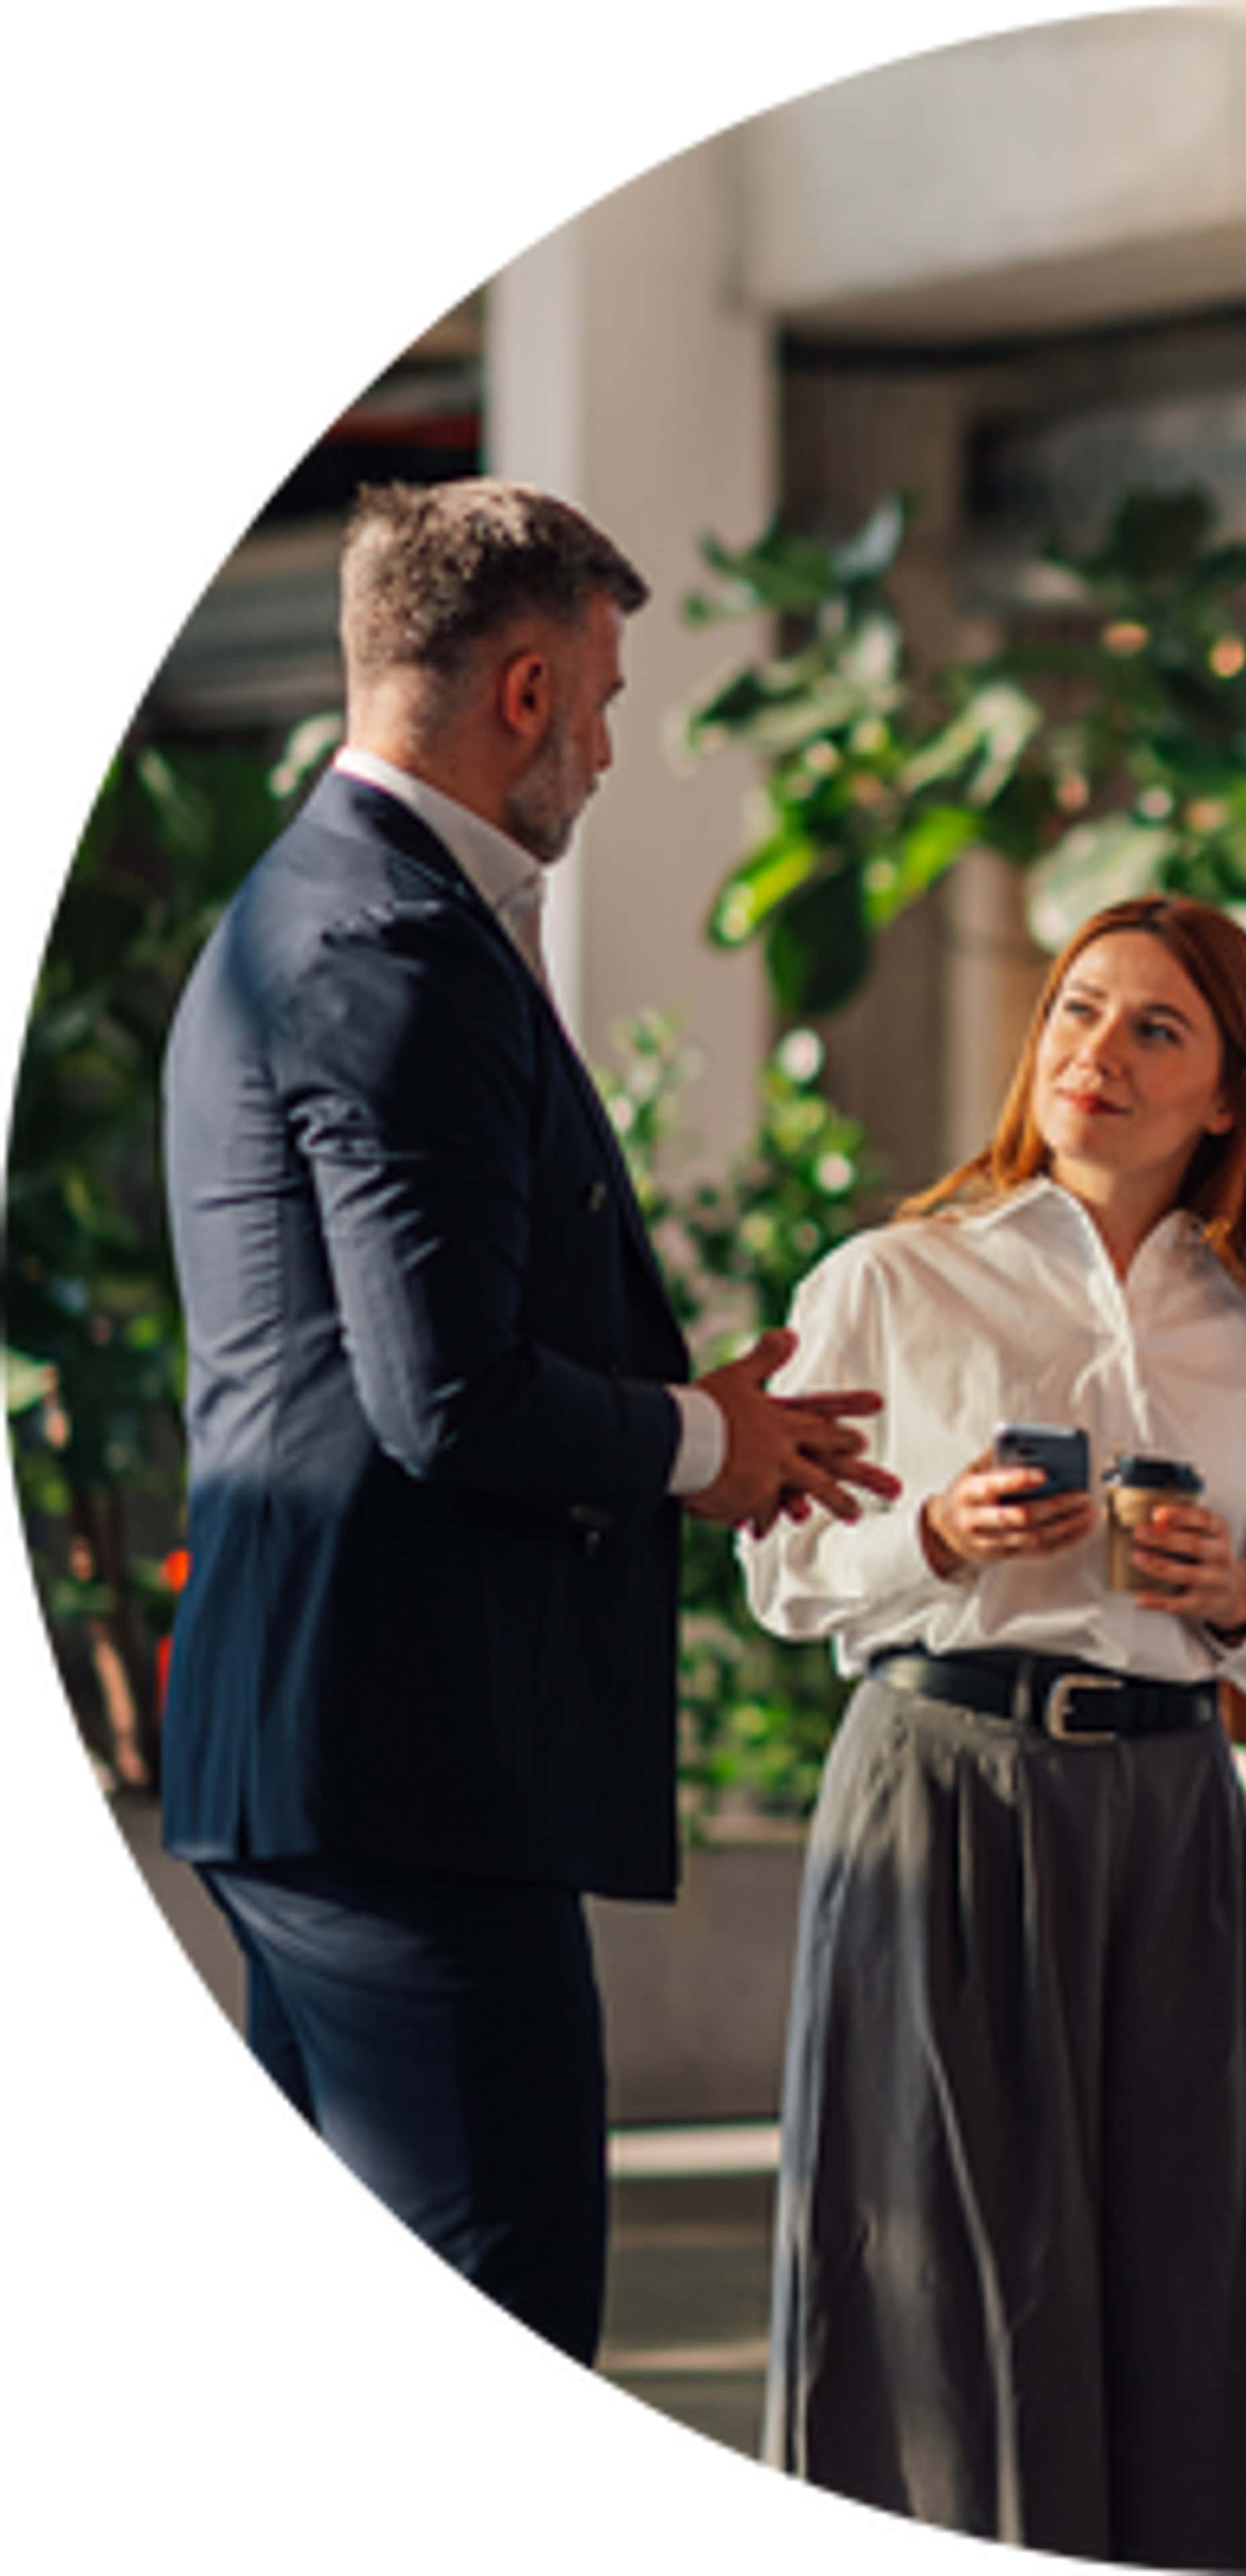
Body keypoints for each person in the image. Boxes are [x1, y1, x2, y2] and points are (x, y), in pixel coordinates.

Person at [158, 478, 892, 2363]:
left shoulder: (313, 909)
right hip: (404, 1770)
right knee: (503, 2311)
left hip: (327, 1759)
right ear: (529, 687)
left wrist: (694, 1431)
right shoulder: (394, 947)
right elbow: (447, 1395)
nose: (617, 748)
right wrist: (703, 1443)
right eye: (614, 700)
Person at [739, 894, 1246, 2569]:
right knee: (935, 2268)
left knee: (1179, 2269)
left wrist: (1237, 1600)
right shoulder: (892, 1279)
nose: (1097, 1053)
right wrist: (939, 1535)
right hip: (937, 1793)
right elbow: (784, 1577)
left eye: (1155, 1027)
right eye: (1078, 1012)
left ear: (1233, 1093)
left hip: (1174, 1815)